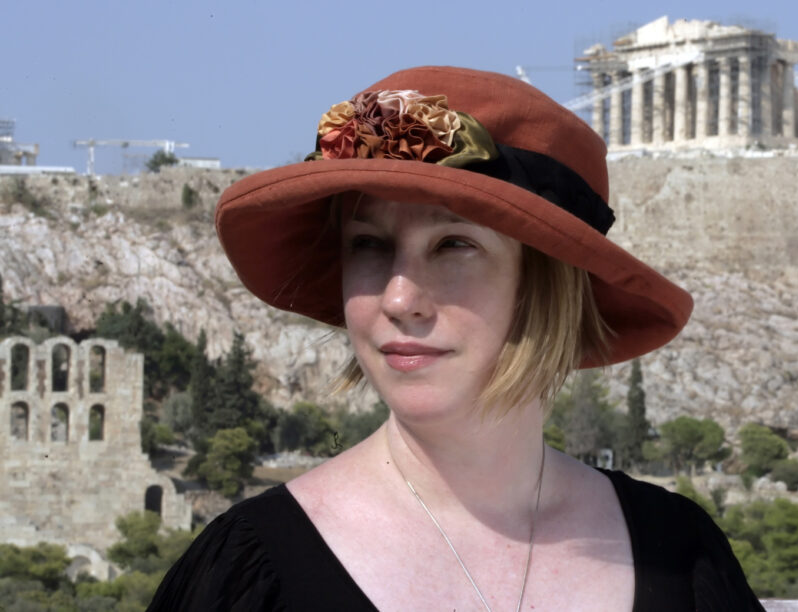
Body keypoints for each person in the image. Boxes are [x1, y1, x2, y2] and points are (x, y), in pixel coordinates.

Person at [149, 66, 763, 611]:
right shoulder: (248, 573)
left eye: (453, 246)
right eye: (368, 245)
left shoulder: (681, 559)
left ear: (543, 281)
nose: (397, 299)